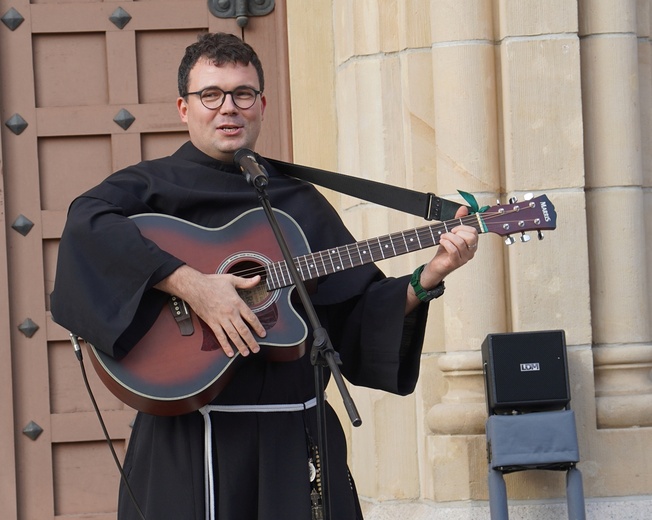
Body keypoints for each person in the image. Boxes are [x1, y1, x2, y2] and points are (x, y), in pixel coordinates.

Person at [51, 32, 479, 520]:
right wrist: (188, 282)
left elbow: (355, 308)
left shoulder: (297, 202)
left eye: (243, 94)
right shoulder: (149, 187)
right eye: (210, 95)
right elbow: (87, 228)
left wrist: (427, 277)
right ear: (183, 108)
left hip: (293, 435)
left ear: (261, 105)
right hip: (190, 433)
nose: (227, 108)